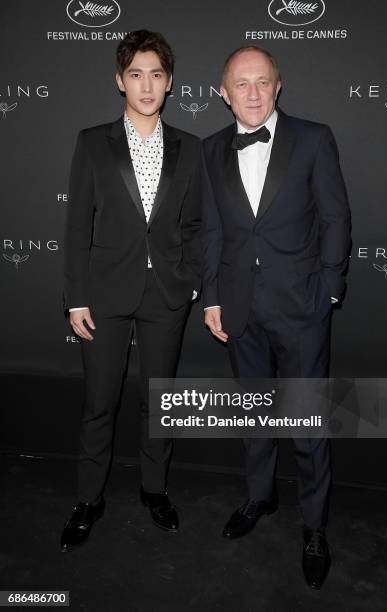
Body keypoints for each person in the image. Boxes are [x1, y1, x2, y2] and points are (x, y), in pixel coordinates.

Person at [201, 45, 351, 589]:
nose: (253, 93)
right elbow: (214, 230)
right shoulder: (212, 149)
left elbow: (335, 215)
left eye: (262, 82)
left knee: (308, 424)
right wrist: (213, 297)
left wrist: (330, 287)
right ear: (224, 93)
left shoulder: (313, 138)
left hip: (302, 308)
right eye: (241, 83)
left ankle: (314, 526)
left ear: (278, 86)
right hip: (240, 309)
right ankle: (260, 497)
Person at [61, 30, 201, 551]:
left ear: (169, 83)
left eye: (157, 74)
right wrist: (76, 297)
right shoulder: (91, 142)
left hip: (166, 294)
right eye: (136, 74)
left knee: (158, 402)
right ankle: (88, 498)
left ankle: (154, 489)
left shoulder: (190, 148)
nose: (147, 85)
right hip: (103, 296)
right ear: (120, 81)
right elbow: (77, 226)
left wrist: (188, 281)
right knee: (100, 402)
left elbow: (194, 225)